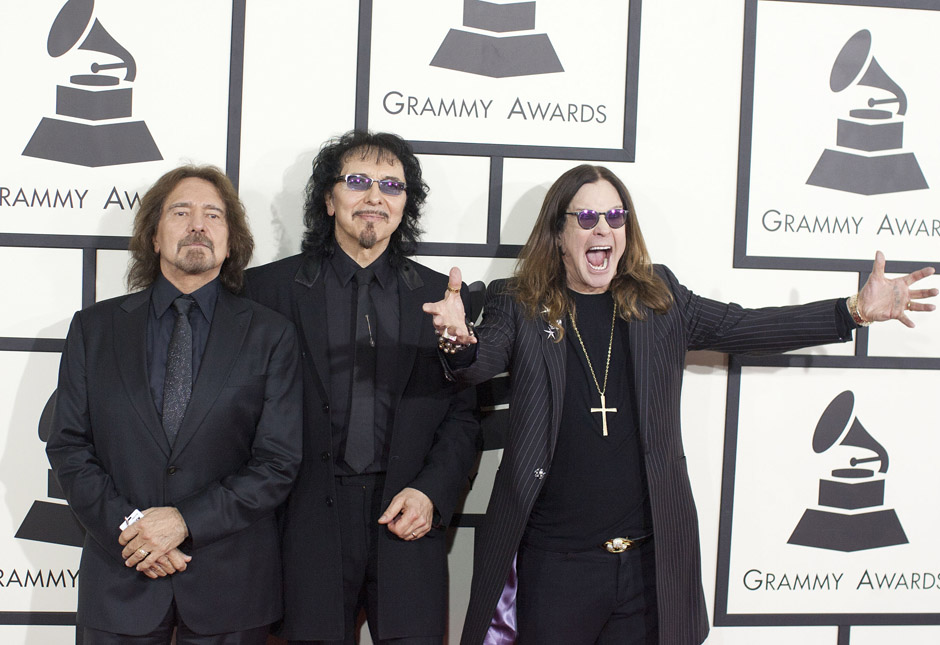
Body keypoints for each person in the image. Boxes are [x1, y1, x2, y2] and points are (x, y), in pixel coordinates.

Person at [422, 164, 938, 645]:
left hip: (648, 568)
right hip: (556, 567)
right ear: (559, 234)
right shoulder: (521, 303)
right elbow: (476, 361)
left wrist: (853, 311)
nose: (603, 228)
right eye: (586, 217)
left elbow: (747, 326)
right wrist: (456, 339)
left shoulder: (658, 298)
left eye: (615, 215)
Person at [46, 165, 303, 644]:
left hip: (231, 585)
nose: (197, 225)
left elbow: (277, 462)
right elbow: (69, 447)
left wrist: (184, 522)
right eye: (180, 212)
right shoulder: (94, 329)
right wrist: (134, 530)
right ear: (154, 236)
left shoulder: (271, 335)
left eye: (214, 215)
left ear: (231, 243)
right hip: (121, 575)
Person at [246, 130, 480, 644]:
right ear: (329, 200)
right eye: (358, 181)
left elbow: (462, 419)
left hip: (407, 519)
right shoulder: (266, 292)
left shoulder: (443, 300)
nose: (375, 196)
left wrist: (431, 494)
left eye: (391, 186)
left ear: (404, 206)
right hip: (303, 524)